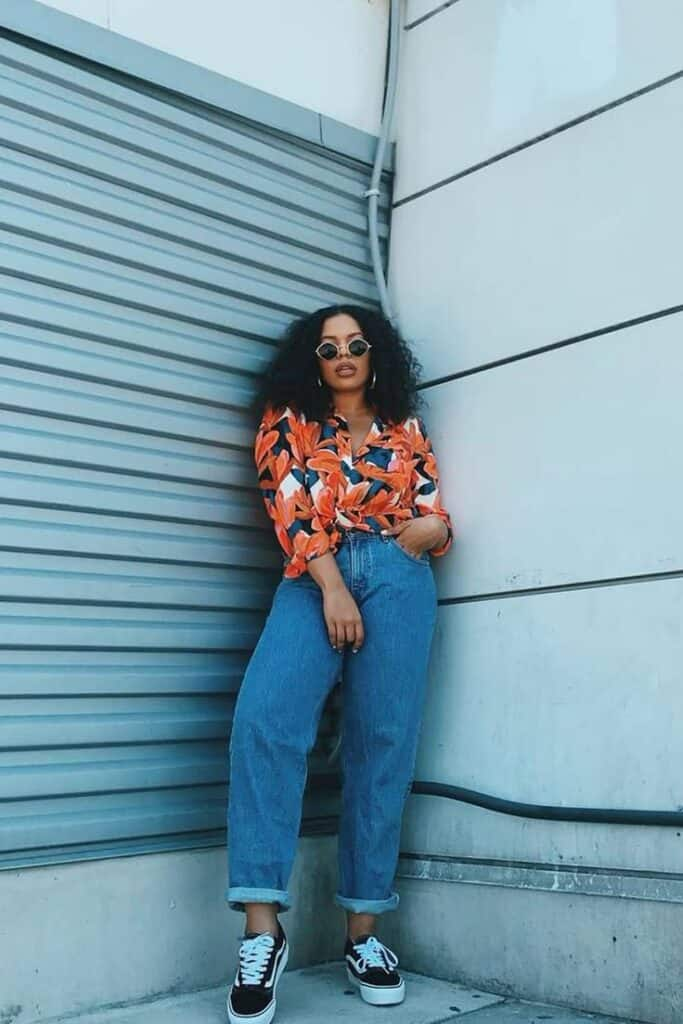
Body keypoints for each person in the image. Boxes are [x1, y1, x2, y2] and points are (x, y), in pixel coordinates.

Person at [225, 303, 454, 1024]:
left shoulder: (404, 430)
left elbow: (431, 505)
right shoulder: (287, 419)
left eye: (356, 344)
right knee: (265, 723)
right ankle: (261, 933)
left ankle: (363, 934)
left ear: (376, 354)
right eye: (329, 348)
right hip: (311, 576)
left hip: (398, 577)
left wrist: (426, 534)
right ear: (312, 360)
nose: (344, 356)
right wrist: (332, 588)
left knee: (381, 743)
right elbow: (289, 507)